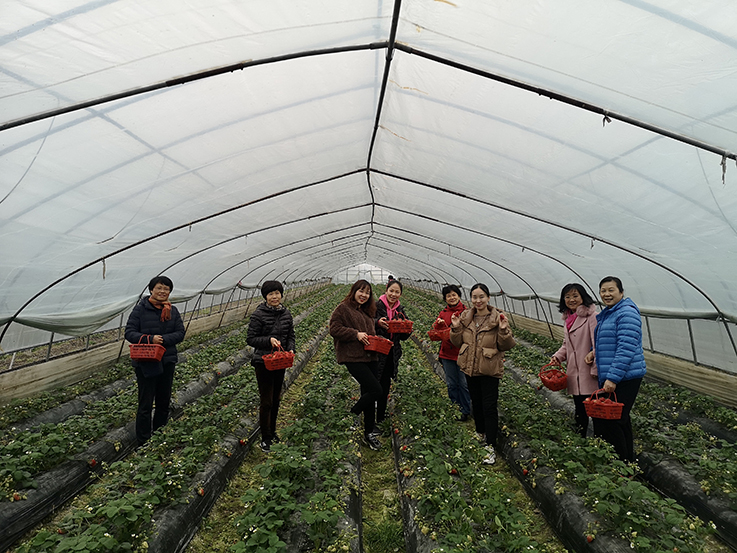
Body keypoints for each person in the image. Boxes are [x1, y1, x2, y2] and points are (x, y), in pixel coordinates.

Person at [450, 283, 515, 465]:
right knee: (476, 403)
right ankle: (480, 433)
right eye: (474, 297)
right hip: (470, 368)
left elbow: (506, 345)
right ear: (471, 298)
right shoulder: (466, 317)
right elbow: (457, 342)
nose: (478, 300)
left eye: (481, 297)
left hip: (489, 368)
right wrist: (456, 328)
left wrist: (503, 330)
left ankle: (490, 445)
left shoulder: (497, 318)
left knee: (489, 406)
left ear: (488, 298)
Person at [125, 276, 186, 446]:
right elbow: (129, 332)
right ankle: (143, 441)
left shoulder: (172, 311)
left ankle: (159, 435)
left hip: (167, 360)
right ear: (151, 289)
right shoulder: (140, 309)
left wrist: (163, 340)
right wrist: (150, 339)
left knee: (163, 401)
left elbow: (180, 333)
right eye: (159, 288)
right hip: (146, 361)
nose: (162, 291)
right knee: (145, 403)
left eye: (166, 289)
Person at [593, 276, 647, 462]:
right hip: (617, 374)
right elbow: (609, 340)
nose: (606, 294)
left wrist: (613, 378)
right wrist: (593, 352)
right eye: (603, 291)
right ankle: (627, 462)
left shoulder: (627, 313)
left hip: (625, 376)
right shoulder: (610, 312)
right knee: (620, 419)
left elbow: (626, 348)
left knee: (613, 421)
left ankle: (620, 464)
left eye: (611, 290)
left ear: (621, 292)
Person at [329, 280, 383, 451]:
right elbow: (334, 329)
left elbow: (368, 330)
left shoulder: (367, 310)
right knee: (376, 390)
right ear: (353, 291)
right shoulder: (343, 308)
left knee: (368, 393)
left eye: (367, 293)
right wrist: (355, 334)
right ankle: (353, 413)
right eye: (361, 291)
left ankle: (369, 432)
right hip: (353, 357)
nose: (364, 295)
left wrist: (376, 334)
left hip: (370, 356)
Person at [246, 280, 295, 453]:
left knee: (276, 398)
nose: (275, 297)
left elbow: (290, 335)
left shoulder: (286, 313)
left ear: (281, 294)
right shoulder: (258, 315)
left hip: (280, 361)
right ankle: (265, 438)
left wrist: (290, 349)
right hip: (263, 362)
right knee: (266, 400)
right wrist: (269, 340)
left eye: (277, 293)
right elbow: (251, 339)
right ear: (265, 296)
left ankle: (272, 432)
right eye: (271, 294)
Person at [550, 283, 599, 438]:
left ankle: (599, 443)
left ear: (583, 297)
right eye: (567, 296)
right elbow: (567, 344)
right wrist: (557, 356)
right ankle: (580, 441)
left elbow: (598, 344)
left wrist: (595, 369)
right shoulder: (569, 318)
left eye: (575, 296)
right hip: (574, 372)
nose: (571, 299)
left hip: (588, 372)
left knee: (595, 410)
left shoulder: (592, 317)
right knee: (579, 409)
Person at [375, 279, 412, 427]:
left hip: (391, 354)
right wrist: (377, 323)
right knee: (373, 384)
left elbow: (403, 336)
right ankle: (369, 415)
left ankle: (380, 416)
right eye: (391, 291)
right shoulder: (376, 306)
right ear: (386, 291)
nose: (393, 294)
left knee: (385, 385)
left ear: (400, 294)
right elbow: (366, 323)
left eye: (397, 292)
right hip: (376, 351)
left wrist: (406, 330)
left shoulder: (400, 311)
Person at [435, 284, 472, 421]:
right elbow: (437, 332)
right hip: (447, 353)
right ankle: (455, 408)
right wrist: (439, 325)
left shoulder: (467, 313)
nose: (451, 297)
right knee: (451, 383)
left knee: (464, 384)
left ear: (459, 296)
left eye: (454, 295)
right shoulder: (443, 313)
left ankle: (465, 410)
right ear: (445, 298)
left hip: (462, 353)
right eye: (448, 296)